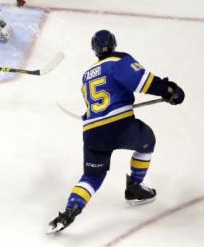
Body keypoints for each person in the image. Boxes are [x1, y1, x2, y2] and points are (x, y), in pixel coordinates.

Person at [47, 30, 185, 234]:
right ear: (114, 44)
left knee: (92, 176)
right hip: (120, 126)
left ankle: (69, 211)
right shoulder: (118, 60)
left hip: (92, 132)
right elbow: (143, 81)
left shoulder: (86, 75)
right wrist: (168, 90)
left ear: (94, 50)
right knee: (147, 140)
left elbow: (92, 106)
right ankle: (135, 187)